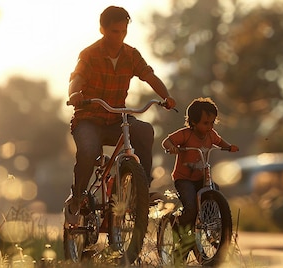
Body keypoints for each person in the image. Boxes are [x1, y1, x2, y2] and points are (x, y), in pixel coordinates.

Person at [65, 6, 176, 218]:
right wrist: (75, 94)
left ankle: (141, 190)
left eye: (124, 31)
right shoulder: (89, 54)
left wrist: (166, 96)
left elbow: (149, 76)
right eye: (115, 32)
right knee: (88, 150)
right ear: (102, 30)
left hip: (116, 119)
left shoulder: (131, 55)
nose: (120, 36)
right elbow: (76, 78)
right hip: (89, 120)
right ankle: (78, 195)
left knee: (144, 131)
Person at [161, 97, 238, 264]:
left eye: (212, 123)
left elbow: (219, 142)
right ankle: (177, 222)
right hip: (184, 179)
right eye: (205, 123)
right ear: (193, 122)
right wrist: (172, 148)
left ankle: (213, 225)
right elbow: (167, 141)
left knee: (215, 191)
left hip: (202, 178)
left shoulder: (211, 134)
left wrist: (229, 146)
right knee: (190, 206)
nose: (209, 126)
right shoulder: (185, 134)